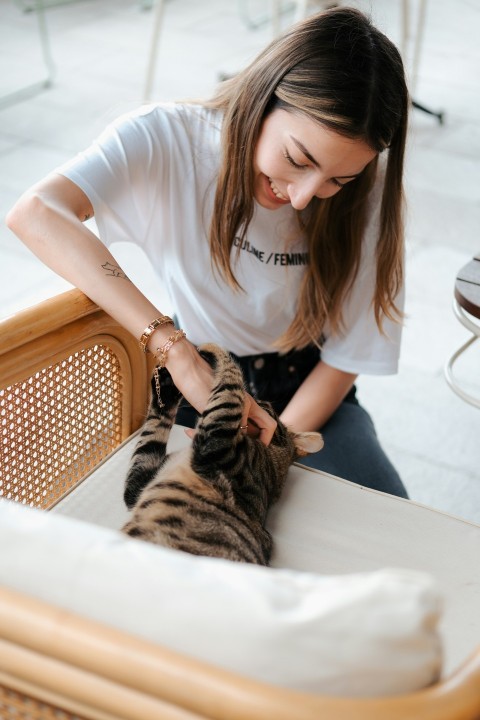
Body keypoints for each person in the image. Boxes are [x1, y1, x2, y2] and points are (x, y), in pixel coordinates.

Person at [7, 7, 409, 498]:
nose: (304, 196)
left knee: (388, 525)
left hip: (311, 388)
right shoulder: (167, 138)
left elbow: (347, 354)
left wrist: (272, 446)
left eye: (337, 181)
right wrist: (176, 353)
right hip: (202, 382)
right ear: (263, 97)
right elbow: (37, 213)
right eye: (298, 160)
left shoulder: (373, 192)